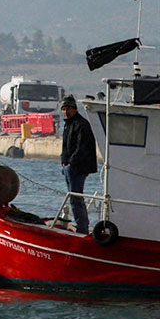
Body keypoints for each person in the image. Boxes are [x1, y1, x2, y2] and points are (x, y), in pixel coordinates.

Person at [59, 95, 98, 235]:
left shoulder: (82, 125)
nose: (65, 112)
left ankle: (82, 228)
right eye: (63, 109)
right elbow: (65, 147)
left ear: (74, 109)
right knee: (73, 198)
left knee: (76, 198)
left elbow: (82, 148)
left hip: (78, 168)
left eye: (68, 109)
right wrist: (63, 162)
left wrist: (71, 163)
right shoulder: (67, 125)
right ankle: (80, 225)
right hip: (68, 167)